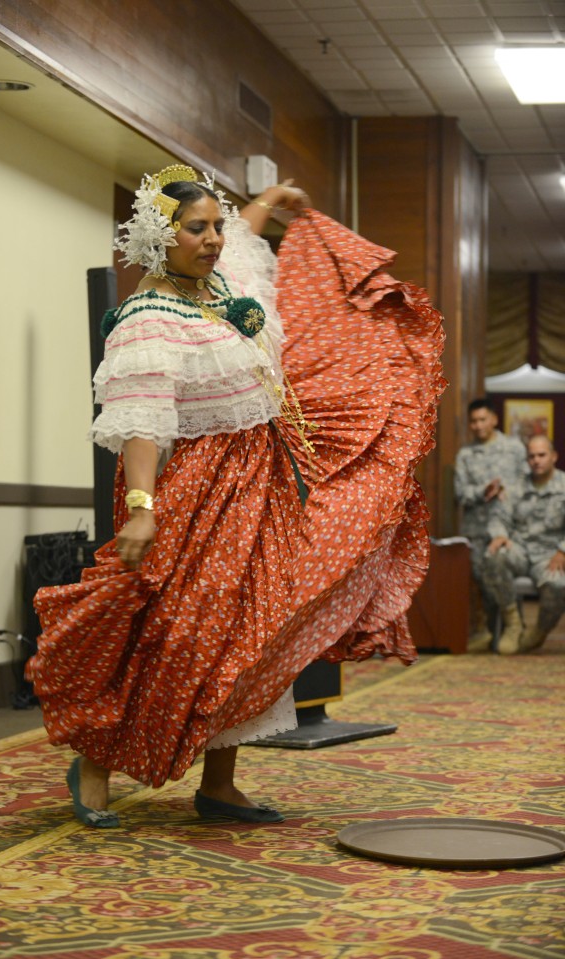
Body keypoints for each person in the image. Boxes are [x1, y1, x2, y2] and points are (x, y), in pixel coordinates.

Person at [28, 164, 445, 828]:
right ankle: (96, 761)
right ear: (158, 241)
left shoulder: (222, 288)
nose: (215, 239)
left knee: (248, 637)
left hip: (264, 482)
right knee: (171, 632)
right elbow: (142, 417)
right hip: (197, 488)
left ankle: (220, 782)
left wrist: (270, 202)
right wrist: (141, 507)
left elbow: (246, 245)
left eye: (216, 225)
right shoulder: (148, 315)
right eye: (197, 229)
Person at [454, 398, 527, 650]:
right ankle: (492, 633)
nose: (477, 425)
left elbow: (526, 483)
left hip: (510, 528)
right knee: (484, 582)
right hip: (477, 529)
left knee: (502, 574)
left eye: (482, 419)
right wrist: (481, 491)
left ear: (494, 419)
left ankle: (513, 629)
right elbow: (461, 493)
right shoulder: (465, 455)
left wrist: (507, 491)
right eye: (473, 421)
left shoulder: (514, 448)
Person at [482, 435, 565, 654]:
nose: (536, 460)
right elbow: (499, 516)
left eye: (542, 455)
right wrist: (499, 535)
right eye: (532, 456)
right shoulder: (516, 486)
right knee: (493, 555)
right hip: (519, 549)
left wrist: (563, 551)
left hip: (550, 554)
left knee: (559, 584)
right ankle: (513, 623)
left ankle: (539, 631)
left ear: (554, 457)